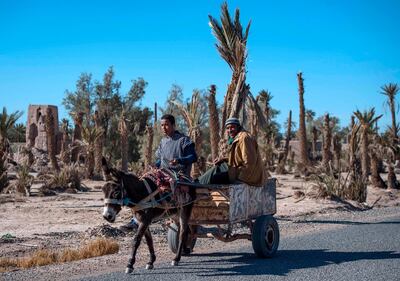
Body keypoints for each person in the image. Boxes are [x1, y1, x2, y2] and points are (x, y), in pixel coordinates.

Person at [120, 114, 198, 232]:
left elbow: (193, 157)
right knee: (144, 184)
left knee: (158, 188)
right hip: (163, 173)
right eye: (162, 125)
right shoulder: (163, 142)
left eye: (166, 124)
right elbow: (160, 160)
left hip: (179, 175)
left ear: (173, 125)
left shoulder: (184, 140)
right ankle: (136, 219)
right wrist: (155, 166)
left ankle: (145, 217)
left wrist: (180, 160)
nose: (164, 127)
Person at [198, 117, 266, 187]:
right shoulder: (237, 138)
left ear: (238, 127)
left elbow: (250, 162)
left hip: (250, 177)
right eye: (228, 128)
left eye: (232, 127)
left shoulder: (244, 138)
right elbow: (239, 157)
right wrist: (224, 159)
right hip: (238, 170)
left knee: (215, 177)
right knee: (218, 167)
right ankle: (198, 182)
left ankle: (197, 184)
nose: (230, 130)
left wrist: (241, 179)